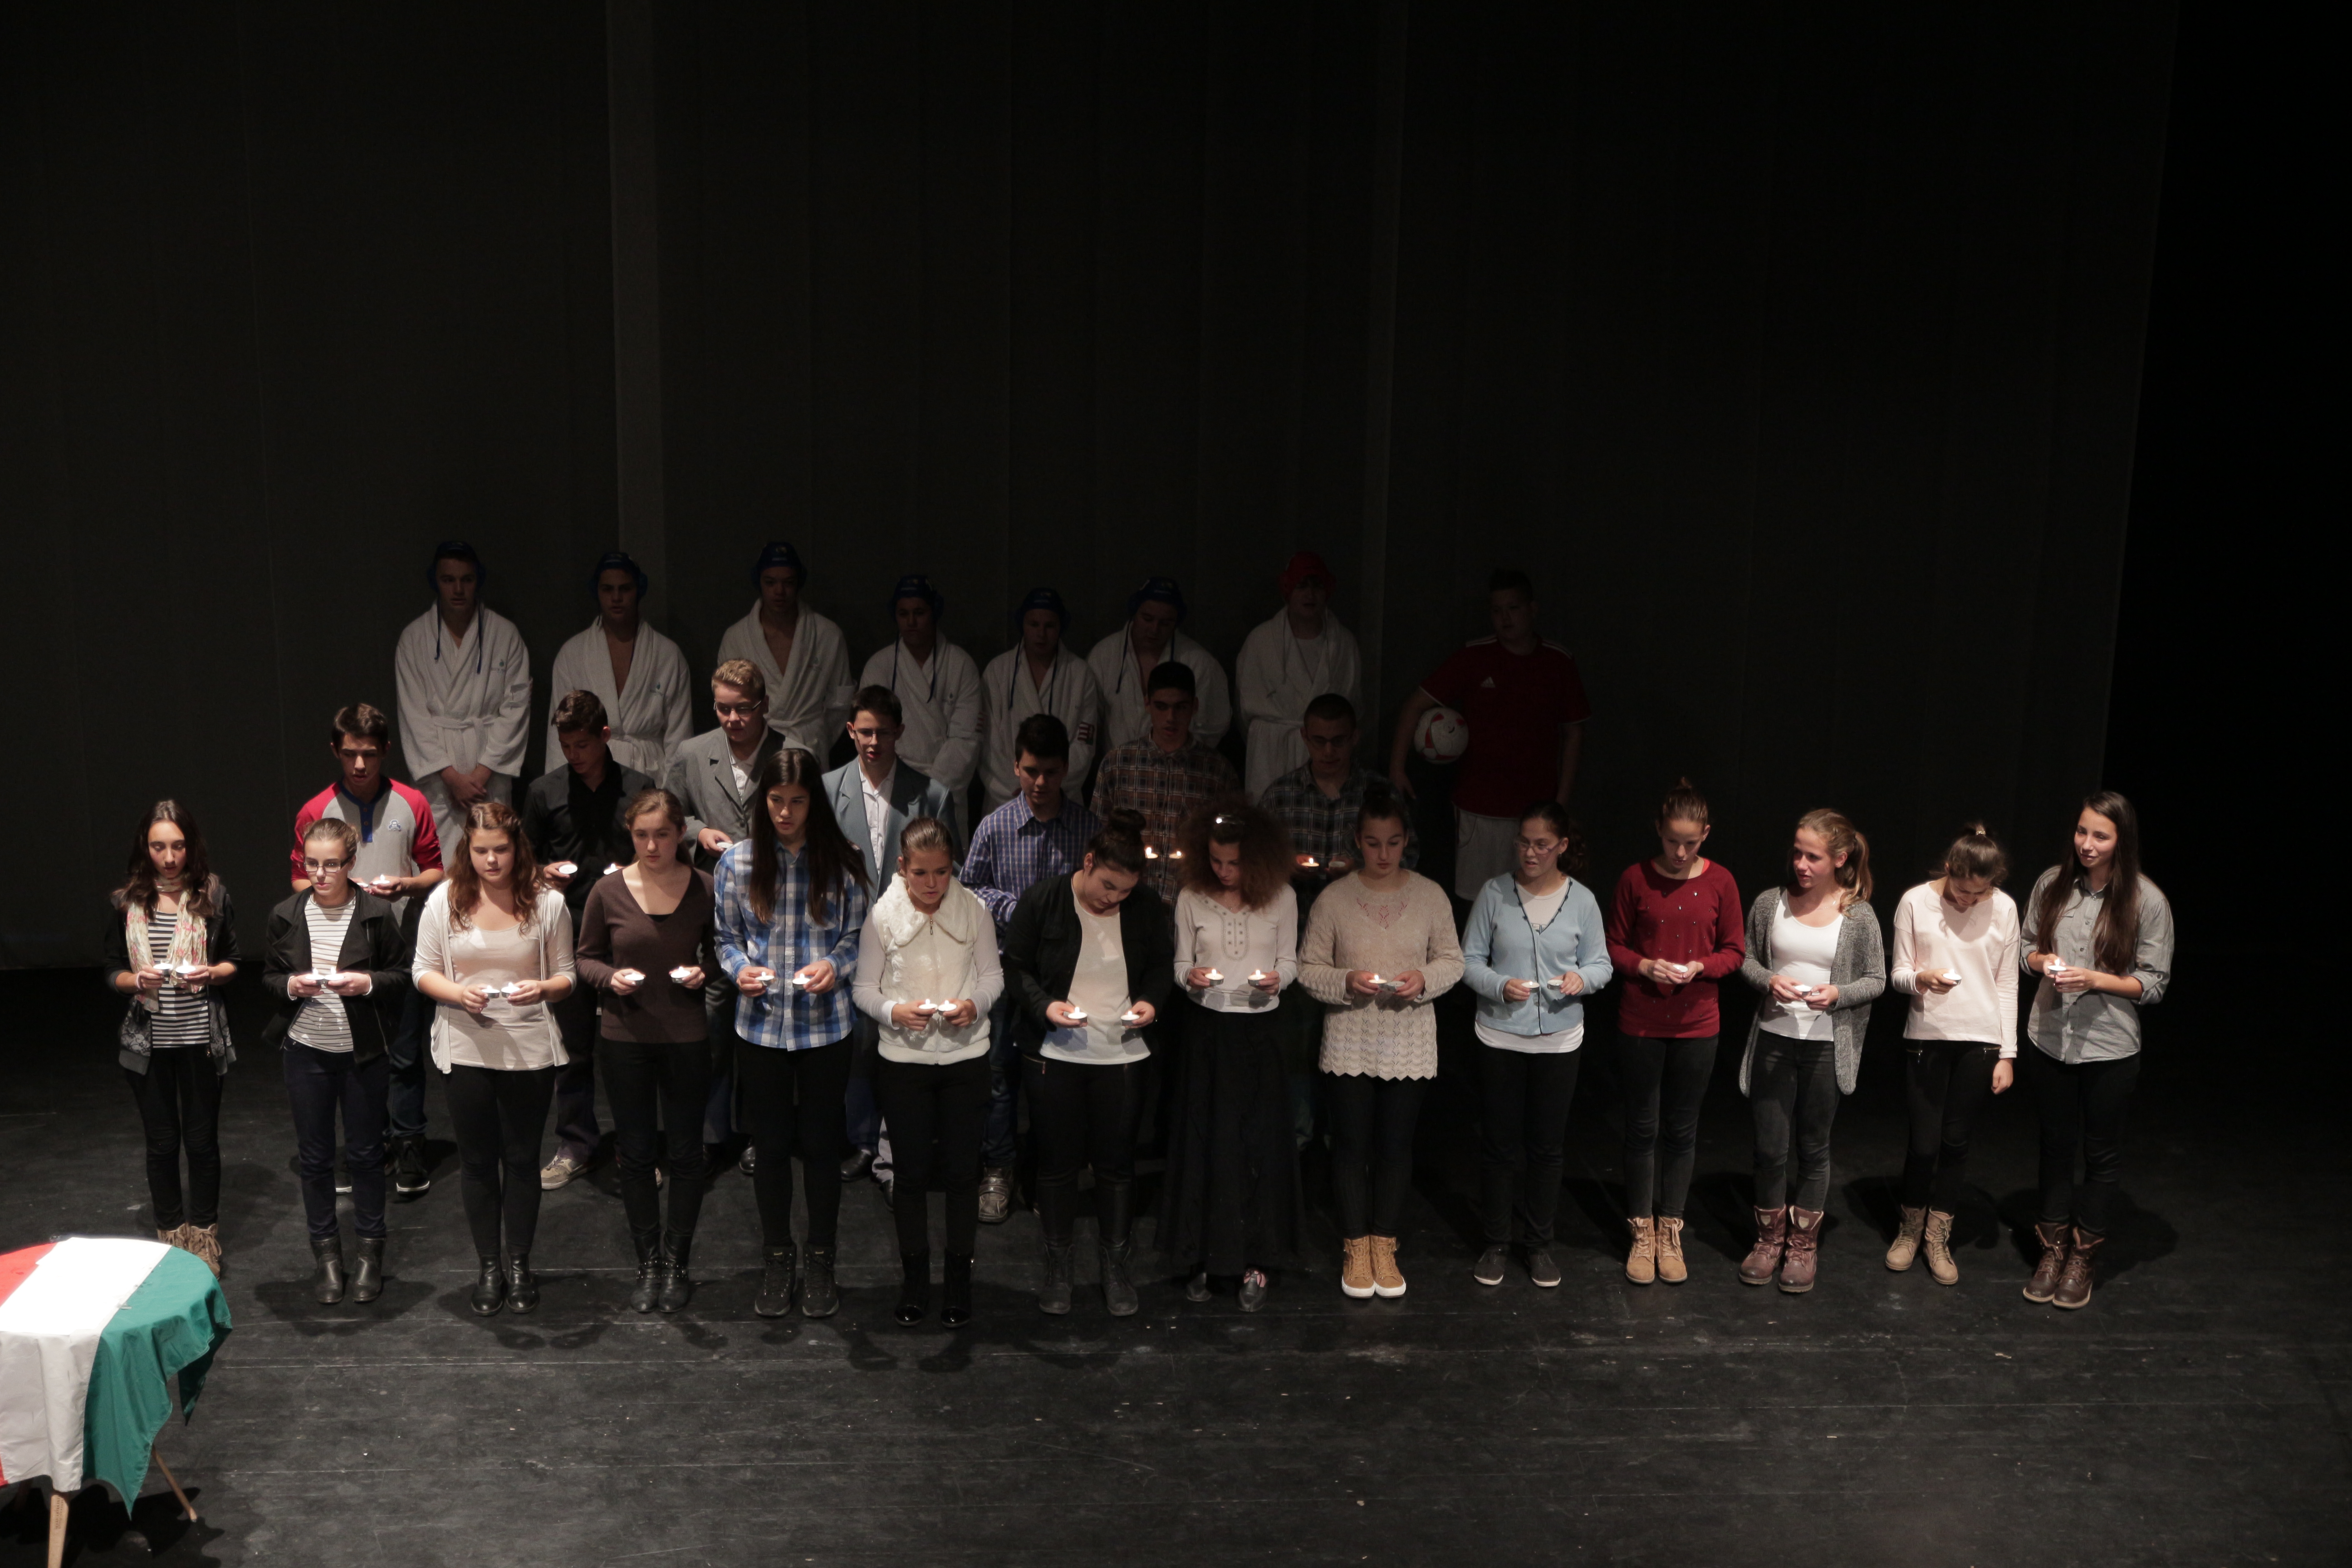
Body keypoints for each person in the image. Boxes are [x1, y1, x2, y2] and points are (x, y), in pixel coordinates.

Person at [715, 748, 871, 1319]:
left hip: (825, 1026)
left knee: (823, 1148)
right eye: (777, 801)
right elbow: (725, 939)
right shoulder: (738, 862)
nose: (785, 812)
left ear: (814, 803)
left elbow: (857, 937)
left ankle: (822, 1259)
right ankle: (778, 1257)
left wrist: (835, 964)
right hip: (761, 1028)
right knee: (772, 1148)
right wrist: (740, 970)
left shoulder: (843, 860)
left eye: (798, 801)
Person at [1001, 809, 1175, 1316]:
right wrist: (1045, 1006)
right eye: (1107, 886)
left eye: (1125, 890)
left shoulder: (1145, 908)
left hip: (1122, 1056)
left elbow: (1161, 967)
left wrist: (1151, 1002)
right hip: (1056, 1054)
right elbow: (1016, 968)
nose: (1113, 898)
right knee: (1057, 1166)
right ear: (1089, 861)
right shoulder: (1044, 900)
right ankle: (1059, 1267)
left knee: (1116, 1167)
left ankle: (1115, 1267)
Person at [1297, 788, 1463, 1300]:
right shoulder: (1335, 898)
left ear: (1406, 840)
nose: (1383, 853)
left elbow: (1453, 961)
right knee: (1350, 1146)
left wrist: (1423, 978)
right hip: (1350, 1039)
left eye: (1392, 842)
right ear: (1358, 840)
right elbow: (1308, 968)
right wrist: (1346, 980)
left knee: (1395, 1147)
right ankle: (1356, 1244)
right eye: (1373, 843)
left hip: (1409, 1039)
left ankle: (1385, 1243)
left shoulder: (1430, 896)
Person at [412, 801, 576, 1316]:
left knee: (522, 1160)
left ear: (517, 847)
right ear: (468, 849)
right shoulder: (444, 901)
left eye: (500, 850)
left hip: (528, 1046)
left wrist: (542, 988)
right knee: (479, 1162)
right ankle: (489, 1266)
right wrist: (459, 994)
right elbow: (423, 971)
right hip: (466, 1045)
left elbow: (567, 976)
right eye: (481, 851)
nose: (491, 861)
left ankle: (520, 1263)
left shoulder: (548, 903)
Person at [2017, 790, 2172, 1311]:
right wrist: (2044, 963)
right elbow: (2026, 948)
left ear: (2120, 841)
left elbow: (2154, 983)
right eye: (2082, 832)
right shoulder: (2052, 884)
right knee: (2055, 1146)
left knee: (2100, 1154)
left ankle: (2083, 1256)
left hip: (2109, 1046)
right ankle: (2051, 1250)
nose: (2087, 844)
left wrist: (2095, 979)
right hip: (2049, 1036)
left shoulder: (2147, 900)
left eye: (2100, 836)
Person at [852, 817, 1004, 1328]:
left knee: (962, 1175)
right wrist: (894, 1011)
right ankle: (915, 1280)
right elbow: (864, 988)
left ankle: (959, 1282)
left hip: (966, 1060)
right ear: (903, 867)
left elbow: (992, 976)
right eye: (921, 873)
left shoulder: (974, 910)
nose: (933, 883)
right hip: (904, 1064)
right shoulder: (883, 916)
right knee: (911, 1176)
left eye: (942, 871)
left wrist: (974, 1005)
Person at [573, 788, 720, 1314]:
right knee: (635, 1154)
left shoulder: (704, 887)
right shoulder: (608, 891)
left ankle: (677, 1261)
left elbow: (723, 953)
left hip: (685, 1035)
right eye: (642, 836)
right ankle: (649, 1263)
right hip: (626, 1037)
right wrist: (610, 979)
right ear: (630, 836)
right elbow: (585, 958)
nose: (652, 846)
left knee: (685, 1153)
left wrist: (705, 972)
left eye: (662, 834)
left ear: (681, 833)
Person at [292, 702, 446, 1200]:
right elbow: (298, 878)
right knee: (360, 1051)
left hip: (399, 945)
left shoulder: (411, 802)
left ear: (386, 751)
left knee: (405, 1052)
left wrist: (406, 885)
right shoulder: (317, 810)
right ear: (335, 751)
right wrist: (340, 890)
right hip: (340, 947)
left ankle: (409, 1143)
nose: (360, 765)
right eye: (350, 754)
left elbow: (435, 870)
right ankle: (371, 1145)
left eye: (370, 755)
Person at [1460, 802, 1612, 1289]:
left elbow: (1601, 964)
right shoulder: (1494, 893)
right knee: (1499, 1145)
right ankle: (1496, 1242)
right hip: (1500, 1036)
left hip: (1559, 1041)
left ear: (1562, 846)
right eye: (1524, 842)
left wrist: (1581, 979)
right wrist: (1499, 985)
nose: (1530, 853)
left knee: (1546, 1148)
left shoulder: (1582, 900)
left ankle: (1539, 1244)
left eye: (1542, 845)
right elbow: (1469, 961)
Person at [262, 817, 412, 1305]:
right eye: (312, 864)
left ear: (350, 863)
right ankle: (327, 1259)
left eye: (331, 864)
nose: (321, 874)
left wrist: (366, 983)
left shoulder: (375, 913)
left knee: (367, 1155)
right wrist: (292, 985)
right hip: (306, 1050)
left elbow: (402, 975)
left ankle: (369, 1255)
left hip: (362, 1053)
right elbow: (269, 977)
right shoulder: (286, 914)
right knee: (315, 1159)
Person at [1257, 694, 1419, 1149]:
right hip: (1298, 945)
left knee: (1351, 1061)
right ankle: (1297, 1147)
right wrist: (1286, 867)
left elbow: (1411, 862)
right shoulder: (1281, 796)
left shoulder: (1379, 794)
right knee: (1297, 1056)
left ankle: (1345, 1147)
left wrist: (1362, 870)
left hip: (1364, 951)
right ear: (1304, 738)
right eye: (1319, 741)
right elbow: (1254, 870)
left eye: (1339, 741)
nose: (1329, 751)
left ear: (1355, 739)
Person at [1160, 797, 1302, 1312]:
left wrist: (1278, 979)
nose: (1225, 871)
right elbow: (1181, 964)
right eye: (1217, 861)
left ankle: (1256, 1259)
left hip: (1260, 1032)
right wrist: (1191, 978)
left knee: (1256, 1143)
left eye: (1235, 863)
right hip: (1208, 1030)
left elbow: (1290, 962)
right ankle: (1203, 1254)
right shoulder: (1192, 898)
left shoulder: (1281, 897)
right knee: (1207, 1140)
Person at [1735, 809, 1885, 1294]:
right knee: (1769, 1148)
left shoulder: (1858, 914)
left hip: (1825, 1046)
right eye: (1798, 853)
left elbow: (1877, 979)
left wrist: (1837, 994)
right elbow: (1747, 959)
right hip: (1774, 1038)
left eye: (1813, 857)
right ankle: (1768, 1240)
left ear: (1840, 859)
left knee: (1814, 1147)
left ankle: (1802, 1245)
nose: (1801, 864)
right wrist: (1768, 980)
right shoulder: (1770, 903)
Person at [1602, 778, 1744, 1285]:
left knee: (1682, 1130)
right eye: (1671, 841)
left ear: (1705, 834)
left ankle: (1670, 1231)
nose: (1680, 852)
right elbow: (1613, 945)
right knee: (1642, 1127)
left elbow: (1735, 951)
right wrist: (1644, 966)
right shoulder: (1635, 879)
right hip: (1641, 1021)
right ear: (1658, 831)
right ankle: (1641, 1231)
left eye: (1690, 842)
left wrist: (1701, 967)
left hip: (1697, 1023)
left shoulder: (1721, 881)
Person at [963, 714, 1102, 1225]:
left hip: (1068, 976)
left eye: (1050, 772)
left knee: (1058, 1080)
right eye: (1030, 771)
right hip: (1005, 970)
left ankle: (1049, 1170)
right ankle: (998, 1168)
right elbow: (970, 888)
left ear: (1066, 769)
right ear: (1015, 767)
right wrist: (1018, 910)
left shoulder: (1087, 828)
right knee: (1000, 1074)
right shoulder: (996, 826)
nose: (1040, 782)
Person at [1386, 569, 1592, 900]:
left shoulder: (1558, 661)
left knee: (1531, 902)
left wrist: (1561, 802)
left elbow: (1574, 733)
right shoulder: (1474, 656)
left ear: (1533, 610)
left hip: (1536, 811)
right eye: (1497, 611)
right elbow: (1415, 705)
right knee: (1479, 901)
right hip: (1478, 808)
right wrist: (1397, 768)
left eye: (1513, 608)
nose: (1505, 618)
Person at [826, 686, 957, 1193]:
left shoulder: (933, 794)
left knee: (908, 1042)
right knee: (861, 1043)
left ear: (900, 731)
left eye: (883, 731)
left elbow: (951, 872)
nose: (874, 741)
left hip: (914, 936)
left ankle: (902, 1143)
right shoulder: (828, 789)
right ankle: (863, 1141)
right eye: (865, 732)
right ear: (850, 731)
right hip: (850, 935)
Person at [103, 801, 241, 1277]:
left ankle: (203, 1237)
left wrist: (211, 973)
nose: (169, 857)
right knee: (162, 1144)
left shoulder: (212, 895)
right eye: (159, 846)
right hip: (149, 1044)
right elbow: (111, 969)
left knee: (201, 1144)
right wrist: (135, 981)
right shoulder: (127, 902)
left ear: (191, 847)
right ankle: (171, 1238)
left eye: (178, 846)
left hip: (200, 1039)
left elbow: (233, 961)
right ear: (145, 848)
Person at [523, 690, 653, 1190]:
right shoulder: (544, 791)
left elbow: (658, 853)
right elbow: (523, 861)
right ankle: (576, 1144)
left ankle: (636, 1148)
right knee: (572, 1046)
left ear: (605, 736)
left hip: (627, 929)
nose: (574, 755)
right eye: (566, 746)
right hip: (569, 928)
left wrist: (634, 870)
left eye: (583, 744)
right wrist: (544, 873)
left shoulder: (638, 788)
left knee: (630, 1046)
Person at [1883, 823, 2021, 1284]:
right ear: (1949, 870)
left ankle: (1938, 1235)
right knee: (1924, 1144)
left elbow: (2006, 983)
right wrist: (1921, 979)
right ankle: (1910, 1228)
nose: (1969, 901)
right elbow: (1898, 973)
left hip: (1980, 1039)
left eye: (1979, 894)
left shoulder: (2004, 908)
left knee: (1956, 1142)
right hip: (1928, 1036)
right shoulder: (1914, 901)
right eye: (1963, 891)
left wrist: (2007, 1054)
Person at [662, 659, 784, 1172]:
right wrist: (697, 832)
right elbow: (668, 810)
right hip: (713, 902)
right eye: (723, 708)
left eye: (743, 709)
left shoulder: (790, 754)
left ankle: (759, 1131)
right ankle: (711, 1133)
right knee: (712, 1020)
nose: (732, 719)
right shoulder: (693, 753)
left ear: (764, 706)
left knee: (763, 1018)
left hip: (775, 904)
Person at [395, 539, 534, 860]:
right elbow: (414, 716)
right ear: (436, 581)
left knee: (494, 858)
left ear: (478, 580)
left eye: (466, 580)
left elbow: (515, 709)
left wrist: (482, 772)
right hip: (439, 778)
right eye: (449, 580)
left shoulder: (505, 635)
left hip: (489, 771)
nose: (458, 589)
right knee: (439, 864)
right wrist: (452, 777)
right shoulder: (413, 639)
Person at [1091, 661, 1240, 906]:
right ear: (1148, 704)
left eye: (1180, 707)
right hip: (1127, 902)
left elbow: (1231, 845)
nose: (1171, 718)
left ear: (1195, 706)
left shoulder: (1216, 771)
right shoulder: (1118, 763)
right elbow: (1097, 836)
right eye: (1162, 707)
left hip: (1193, 904)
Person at [542, 551, 694, 776]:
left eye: (625, 589)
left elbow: (679, 738)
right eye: (607, 589)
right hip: (590, 775)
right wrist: (559, 791)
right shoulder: (572, 654)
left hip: (650, 773)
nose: (616, 597)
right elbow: (560, 733)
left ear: (638, 590)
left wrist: (674, 792)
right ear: (596, 591)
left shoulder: (667, 655)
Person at [858, 574, 983, 840]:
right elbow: (869, 735)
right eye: (903, 614)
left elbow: (965, 740)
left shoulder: (961, 666)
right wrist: (903, 785)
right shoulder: (879, 666)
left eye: (919, 613)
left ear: (934, 612)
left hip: (946, 791)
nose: (911, 622)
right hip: (893, 789)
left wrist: (932, 790)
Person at [1235, 551, 1362, 797]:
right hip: (1271, 753)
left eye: (1317, 586)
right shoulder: (1261, 641)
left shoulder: (1344, 645)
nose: (1310, 594)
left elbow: (1354, 705)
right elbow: (1243, 710)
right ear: (1288, 590)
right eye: (1302, 586)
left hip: (1326, 751)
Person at [715, 541, 854, 754]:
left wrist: (817, 738)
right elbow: (726, 701)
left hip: (810, 745)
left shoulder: (828, 635)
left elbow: (841, 704)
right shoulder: (736, 637)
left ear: (799, 583)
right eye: (770, 582)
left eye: (788, 583)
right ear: (759, 582)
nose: (779, 591)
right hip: (755, 747)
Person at [980, 588, 1100, 817]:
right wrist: (1020, 790)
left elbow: (1083, 748)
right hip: (1005, 797)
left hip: (1062, 799)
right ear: (1022, 625)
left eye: (1050, 626)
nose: (1041, 634)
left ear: (1061, 627)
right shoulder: (997, 671)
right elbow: (988, 746)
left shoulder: (1080, 674)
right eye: (1034, 625)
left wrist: (1049, 789)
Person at [1085, 576, 1232, 753]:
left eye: (1165, 623)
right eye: (1148, 619)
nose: (1155, 629)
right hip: (1118, 764)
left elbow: (1215, 725)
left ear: (1176, 622)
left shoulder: (1200, 663)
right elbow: (1089, 720)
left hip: (1180, 764)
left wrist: (1183, 756)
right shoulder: (1104, 656)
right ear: (1134, 613)